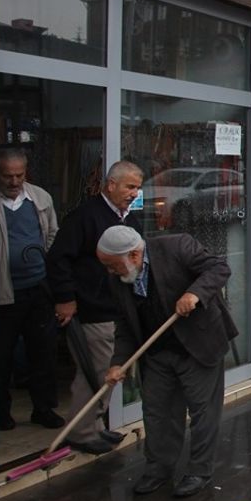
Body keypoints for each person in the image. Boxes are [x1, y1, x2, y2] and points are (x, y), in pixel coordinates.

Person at [97, 226, 236, 498]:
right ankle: (159, 468)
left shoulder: (178, 246)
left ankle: (199, 471)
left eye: (113, 266)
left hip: (198, 344)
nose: (110, 272)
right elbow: (124, 324)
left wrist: (194, 294)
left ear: (134, 255)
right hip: (158, 352)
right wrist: (118, 362)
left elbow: (219, 268)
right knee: (157, 412)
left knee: (203, 413)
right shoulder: (118, 279)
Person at [46, 160, 144, 455]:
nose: (134, 193)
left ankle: (96, 427)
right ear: (111, 185)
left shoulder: (129, 218)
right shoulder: (85, 216)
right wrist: (65, 298)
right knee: (97, 371)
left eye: (138, 188)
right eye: (129, 186)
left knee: (109, 371)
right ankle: (81, 432)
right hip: (93, 307)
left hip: (119, 308)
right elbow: (58, 259)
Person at [0, 147, 64, 432]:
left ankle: (43, 409)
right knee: (1, 356)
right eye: (7, 176)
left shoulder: (39, 197)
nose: (13, 182)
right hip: (3, 291)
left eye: (18, 175)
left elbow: (51, 233)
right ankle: (0, 413)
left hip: (38, 287)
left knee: (43, 352)